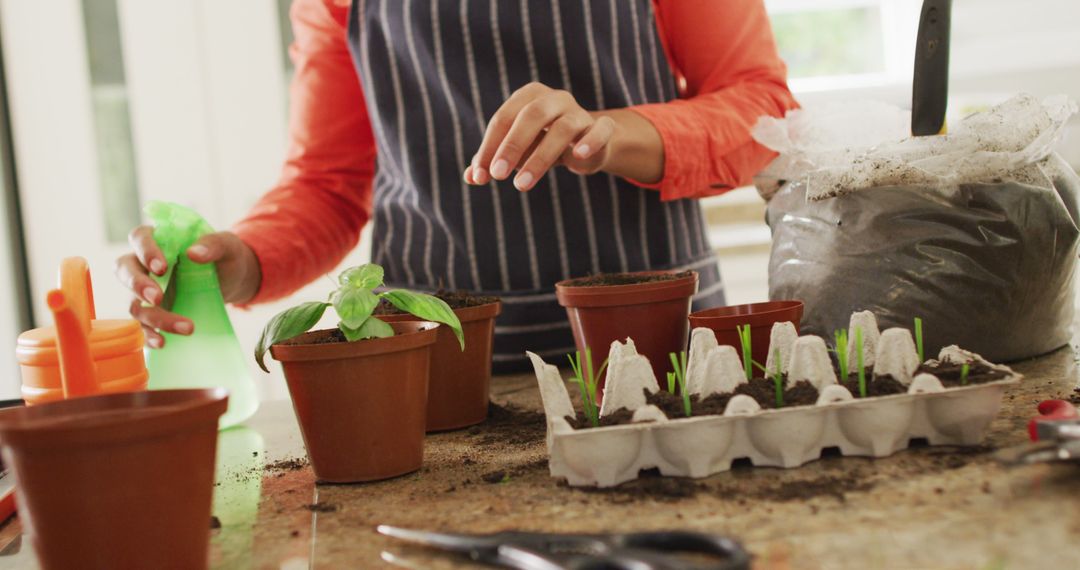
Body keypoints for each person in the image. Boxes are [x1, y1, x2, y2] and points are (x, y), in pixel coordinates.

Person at [116, 0, 797, 373]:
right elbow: (327, 182)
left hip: (656, 352)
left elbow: (764, 112)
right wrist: (240, 262)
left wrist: (609, 135)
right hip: (433, 377)